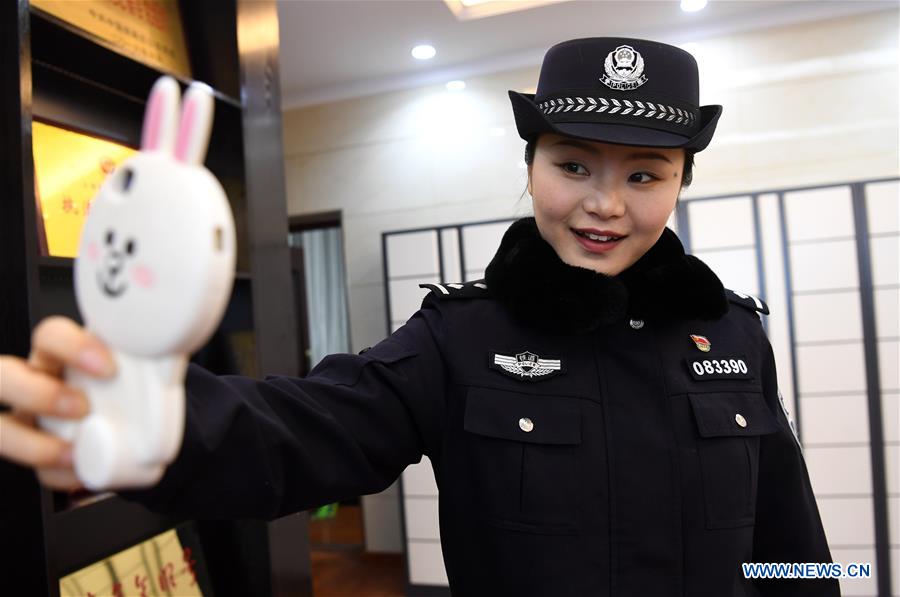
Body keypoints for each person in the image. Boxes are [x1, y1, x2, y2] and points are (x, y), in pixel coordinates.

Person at [0, 37, 839, 596]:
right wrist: (162, 418)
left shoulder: (731, 336)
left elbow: (788, 532)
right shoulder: (461, 337)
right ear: (531, 162)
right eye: (573, 163)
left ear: (681, 180)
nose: (603, 204)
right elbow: (311, 427)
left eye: (644, 175)